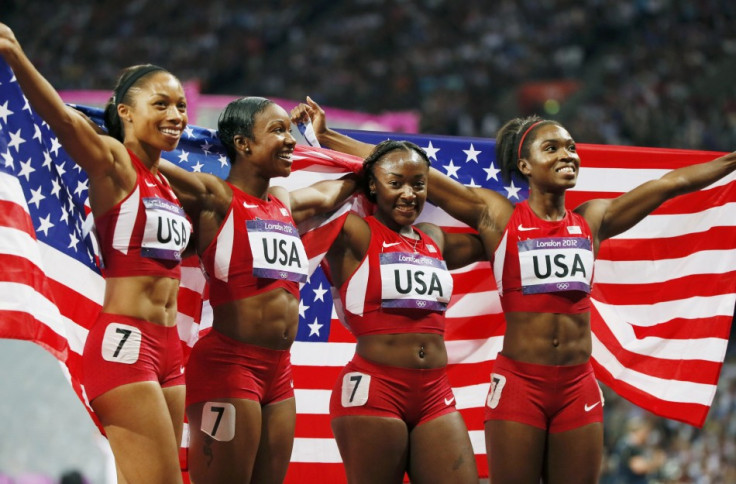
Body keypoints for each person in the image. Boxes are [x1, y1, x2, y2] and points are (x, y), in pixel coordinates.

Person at [293, 97, 736, 483]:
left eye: (571, 148)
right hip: (520, 383)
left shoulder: (593, 219)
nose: (568, 155)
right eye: (553, 148)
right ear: (524, 165)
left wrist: (730, 161)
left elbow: (669, 184)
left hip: (579, 385)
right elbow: (410, 166)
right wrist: (329, 137)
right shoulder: (498, 218)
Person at [0, 24, 190, 484]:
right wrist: (14, 53)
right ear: (125, 111)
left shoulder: (168, 183)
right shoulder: (113, 162)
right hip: (126, 345)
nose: (176, 114)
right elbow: (64, 123)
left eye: (181, 105)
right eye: (161, 104)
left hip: (170, 351)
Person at [157, 96, 359, 484]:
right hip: (228, 367)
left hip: (279, 373)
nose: (290, 141)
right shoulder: (216, 197)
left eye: (289, 131)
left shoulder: (283, 203)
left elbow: (344, 188)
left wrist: (327, 137)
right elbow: (147, 163)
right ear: (243, 144)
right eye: (278, 130)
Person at [293, 99, 485, 484]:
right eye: (395, 183)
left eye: (418, 184)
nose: (409, 194)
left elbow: (498, 236)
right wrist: (329, 140)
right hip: (374, 389)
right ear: (373, 186)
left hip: (434, 393)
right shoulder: (353, 233)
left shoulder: (434, 239)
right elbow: (302, 206)